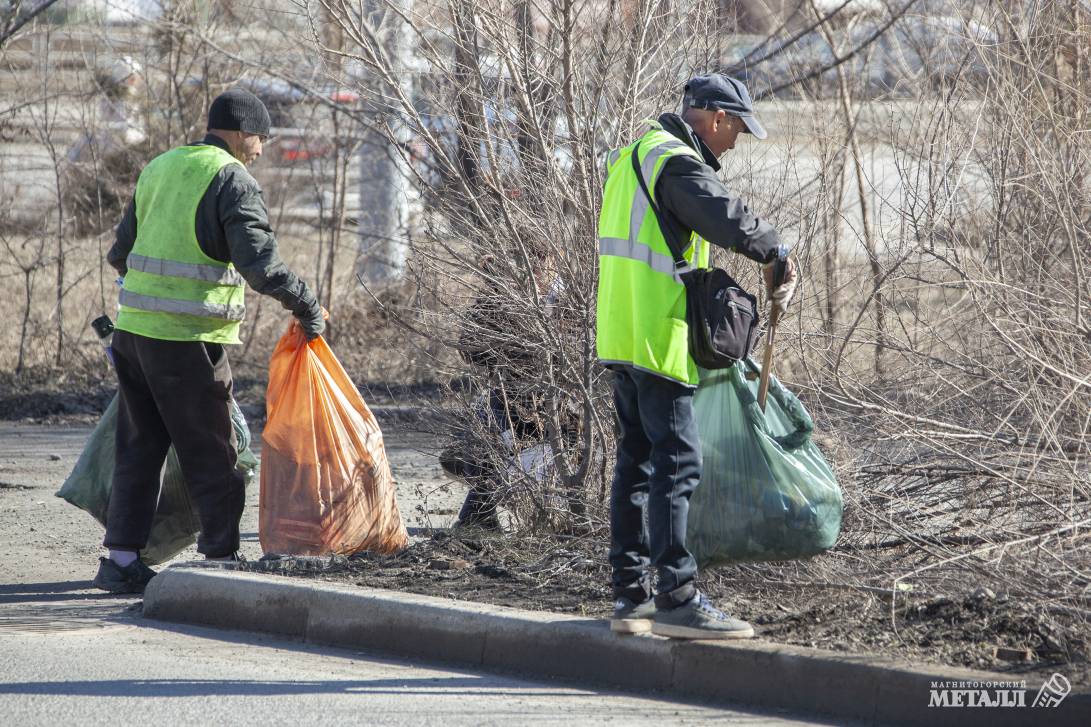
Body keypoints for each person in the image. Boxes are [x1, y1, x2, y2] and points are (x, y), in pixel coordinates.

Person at [93, 88, 326, 594]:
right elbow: (260, 265)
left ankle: (121, 560)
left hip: (133, 334)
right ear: (243, 134)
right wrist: (307, 304)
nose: (261, 149)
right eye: (261, 139)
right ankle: (220, 560)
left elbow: (120, 253)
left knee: (139, 447)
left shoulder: (160, 166)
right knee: (213, 449)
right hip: (187, 341)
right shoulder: (231, 178)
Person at [596, 74, 798, 638]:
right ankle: (678, 599)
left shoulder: (632, 155)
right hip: (658, 337)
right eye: (735, 127)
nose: (734, 141)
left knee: (636, 463)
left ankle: (630, 596)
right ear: (711, 117)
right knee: (677, 464)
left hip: (621, 333)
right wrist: (775, 248)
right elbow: (727, 217)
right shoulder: (675, 163)